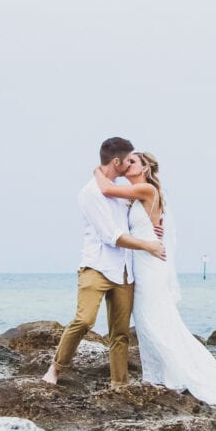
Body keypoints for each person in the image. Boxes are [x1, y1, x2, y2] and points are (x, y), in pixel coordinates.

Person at [94, 151, 216, 406]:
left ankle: (176, 375)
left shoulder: (146, 189)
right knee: (149, 322)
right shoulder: (139, 196)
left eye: (133, 161)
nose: (127, 165)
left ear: (146, 168)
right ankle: (158, 375)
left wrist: (100, 169)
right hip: (141, 263)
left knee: (155, 321)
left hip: (150, 267)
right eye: (126, 162)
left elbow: (105, 189)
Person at [42, 137, 166, 387]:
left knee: (120, 333)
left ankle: (118, 385)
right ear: (117, 161)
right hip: (97, 267)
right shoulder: (91, 192)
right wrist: (148, 244)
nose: (130, 163)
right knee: (84, 320)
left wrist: (153, 229)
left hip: (125, 271)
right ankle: (54, 369)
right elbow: (112, 236)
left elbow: (138, 218)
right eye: (128, 159)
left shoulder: (122, 193)